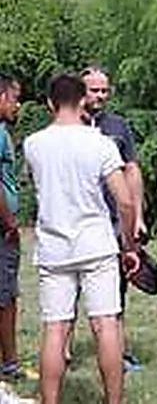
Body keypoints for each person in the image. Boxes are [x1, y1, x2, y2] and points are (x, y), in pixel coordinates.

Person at [23, 73, 140, 404]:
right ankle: (113, 400)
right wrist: (130, 245)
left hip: (53, 246)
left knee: (55, 328)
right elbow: (125, 200)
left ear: (50, 103)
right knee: (106, 325)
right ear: (83, 100)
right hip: (96, 244)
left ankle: (50, 400)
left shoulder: (33, 144)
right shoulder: (100, 143)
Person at [81, 66, 145, 373]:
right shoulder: (67, 127)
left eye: (105, 90)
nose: (100, 96)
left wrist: (138, 216)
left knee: (115, 291)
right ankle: (63, 353)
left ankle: (119, 352)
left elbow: (132, 170)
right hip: (80, 221)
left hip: (115, 220)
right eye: (94, 90)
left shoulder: (118, 126)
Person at [0, 73, 28, 386]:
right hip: (2, 230)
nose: (17, 105)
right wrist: (9, 221)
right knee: (5, 296)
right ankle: (9, 364)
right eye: (15, 98)